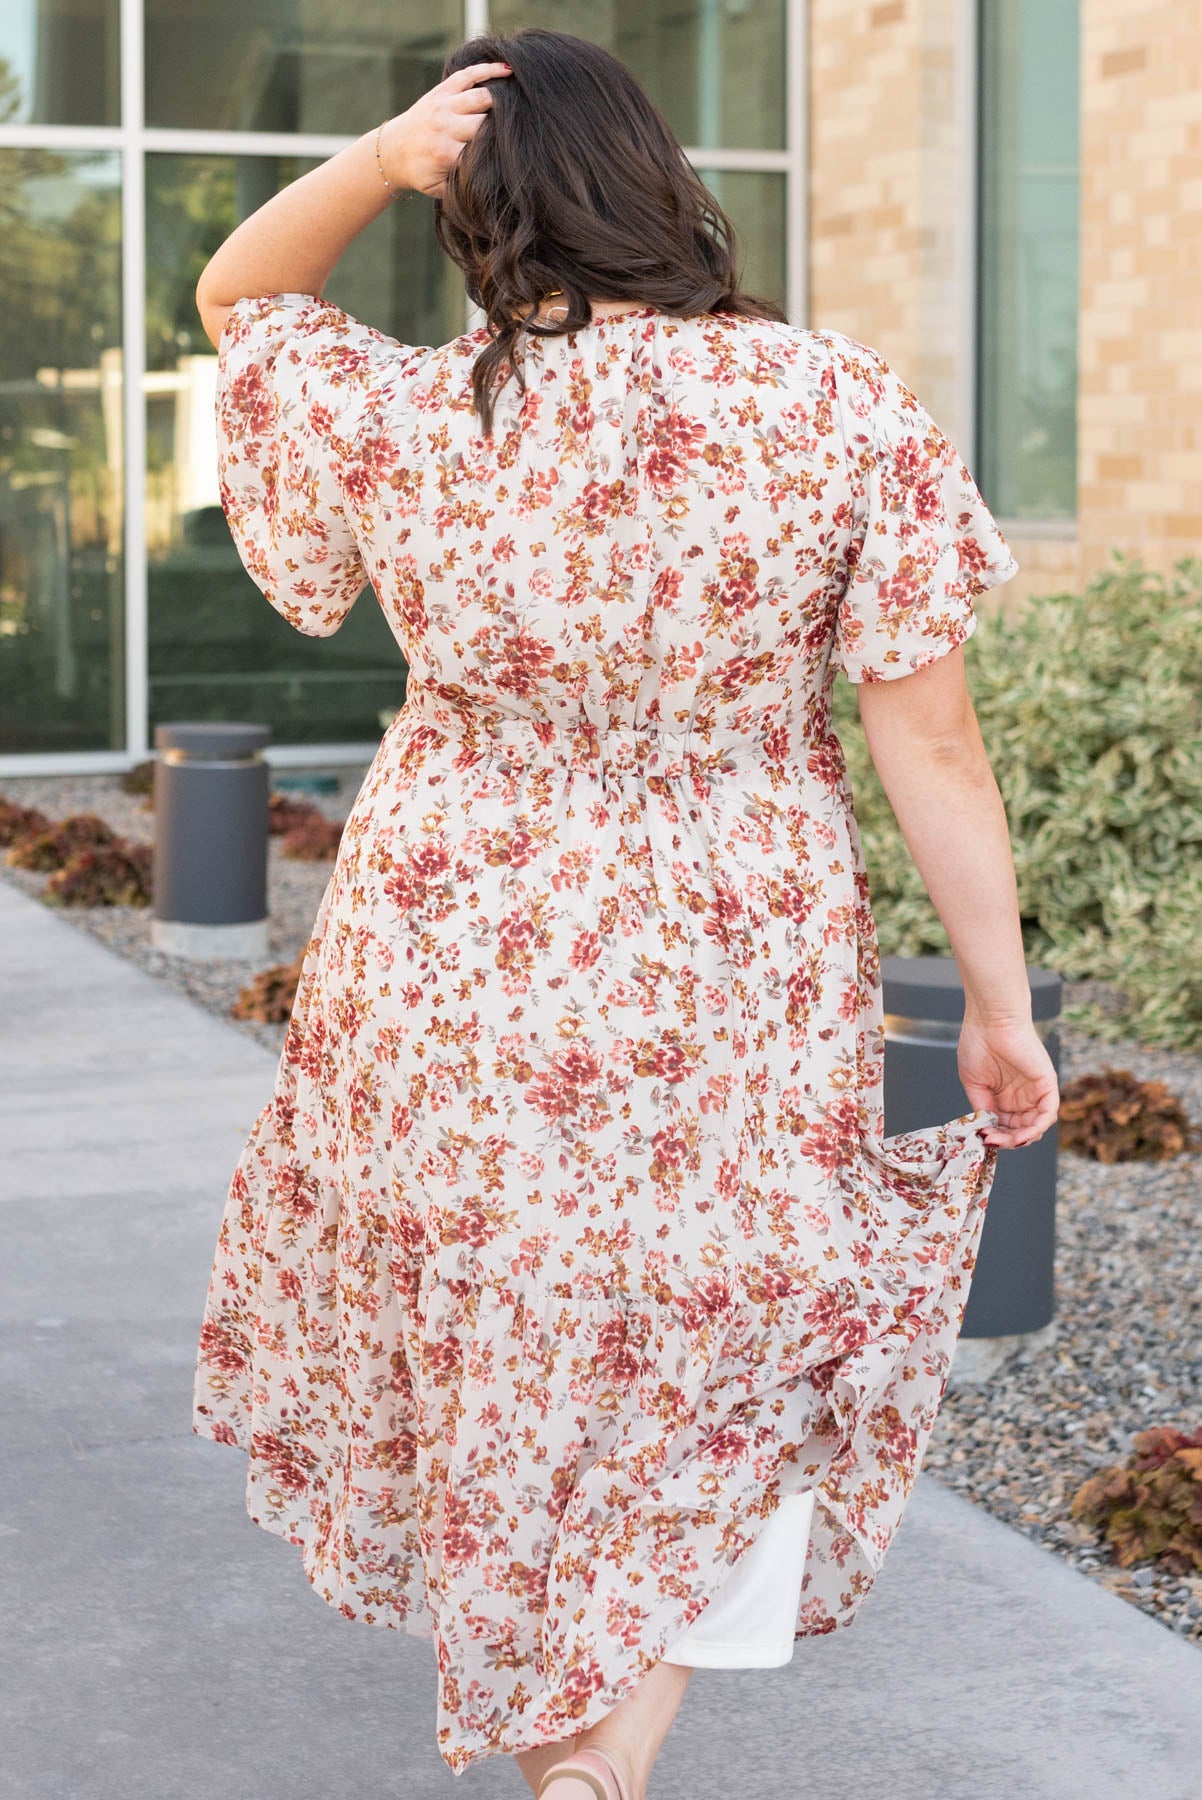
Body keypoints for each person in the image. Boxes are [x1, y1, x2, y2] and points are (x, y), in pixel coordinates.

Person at [191, 27, 1060, 1800]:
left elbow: (236, 295)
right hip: (729, 956)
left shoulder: (416, 409)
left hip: (450, 946)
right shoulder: (831, 403)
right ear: (656, 178)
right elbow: (931, 732)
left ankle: (560, 1743)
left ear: (475, 204)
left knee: (508, 1344)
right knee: (730, 1343)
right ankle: (601, 1750)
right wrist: (996, 1001)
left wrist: (370, 157)